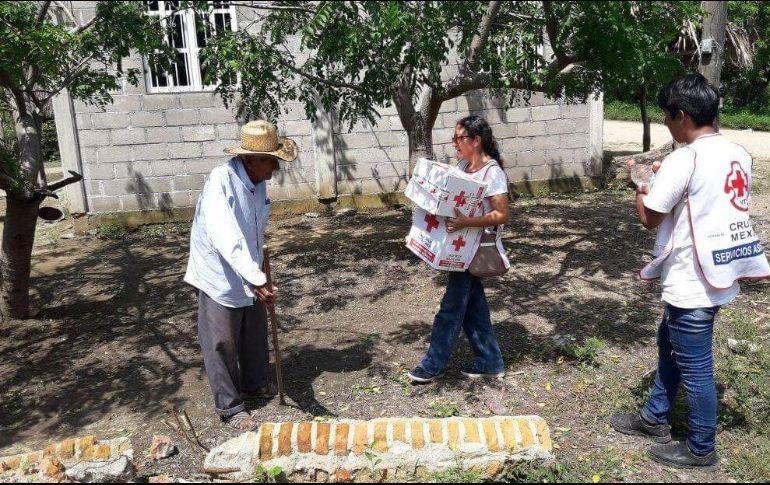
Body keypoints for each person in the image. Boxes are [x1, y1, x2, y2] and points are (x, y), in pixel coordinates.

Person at [610, 74, 770, 469]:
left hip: (692, 278)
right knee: (669, 343)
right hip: (720, 271)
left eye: (667, 117)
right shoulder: (738, 153)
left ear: (681, 115)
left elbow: (650, 217)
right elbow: (704, 196)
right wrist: (666, 176)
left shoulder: (686, 158)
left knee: (696, 368)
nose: (667, 124)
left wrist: (642, 183)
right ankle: (654, 417)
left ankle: (701, 447)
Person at [184, 120, 298, 431]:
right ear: (249, 159)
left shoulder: (257, 181)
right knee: (222, 341)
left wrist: (256, 273)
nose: (275, 168)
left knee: (254, 331)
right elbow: (225, 236)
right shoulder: (220, 182)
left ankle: (254, 384)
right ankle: (230, 406)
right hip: (218, 273)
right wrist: (255, 278)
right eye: (270, 161)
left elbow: (251, 229)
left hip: (249, 267)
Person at [408, 114, 510, 384]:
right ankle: (490, 362)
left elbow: (502, 214)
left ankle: (433, 365)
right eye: (453, 138)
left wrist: (467, 222)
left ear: (476, 140)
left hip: (472, 250)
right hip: (458, 249)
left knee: (451, 309)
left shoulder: (492, 173)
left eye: (459, 138)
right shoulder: (464, 166)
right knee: (474, 308)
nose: (454, 143)